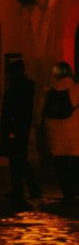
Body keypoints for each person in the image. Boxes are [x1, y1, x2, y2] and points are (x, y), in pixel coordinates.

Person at [0, 58, 41, 205]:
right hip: (18, 128)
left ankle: (26, 189)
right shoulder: (23, 86)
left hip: (15, 128)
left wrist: (12, 128)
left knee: (18, 160)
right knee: (18, 159)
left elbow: (16, 110)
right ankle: (23, 189)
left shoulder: (18, 87)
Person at [41, 60, 79, 201]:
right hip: (75, 136)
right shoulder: (76, 90)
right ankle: (74, 189)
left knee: (61, 166)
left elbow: (41, 111)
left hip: (54, 134)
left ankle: (67, 193)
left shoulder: (49, 92)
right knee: (75, 165)